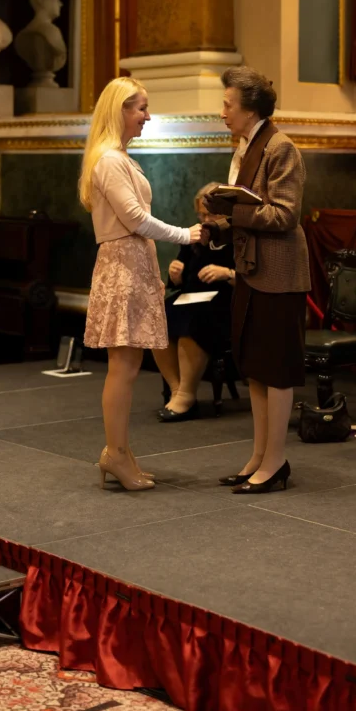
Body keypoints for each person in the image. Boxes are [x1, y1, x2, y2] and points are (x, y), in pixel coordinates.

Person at [79, 77, 202, 492]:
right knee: (124, 367)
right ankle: (115, 453)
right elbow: (134, 219)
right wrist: (187, 234)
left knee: (127, 367)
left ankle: (121, 453)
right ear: (120, 110)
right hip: (124, 264)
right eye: (141, 108)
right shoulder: (110, 160)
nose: (148, 116)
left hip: (132, 261)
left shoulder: (119, 158)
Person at [204, 66, 310, 494]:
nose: (222, 111)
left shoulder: (281, 148)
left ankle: (277, 461)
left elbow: (285, 215)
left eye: (227, 104)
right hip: (253, 269)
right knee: (255, 368)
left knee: (276, 369)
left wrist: (234, 213)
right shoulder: (246, 145)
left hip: (279, 273)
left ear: (249, 108)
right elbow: (247, 209)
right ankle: (259, 456)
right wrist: (220, 221)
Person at [154, 183, 235, 422]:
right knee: (156, 318)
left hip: (225, 300)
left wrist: (226, 273)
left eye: (212, 214)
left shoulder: (239, 237)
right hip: (191, 296)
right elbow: (181, 279)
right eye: (203, 214)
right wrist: (175, 274)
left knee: (194, 319)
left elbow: (254, 278)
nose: (206, 219)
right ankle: (177, 389)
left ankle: (186, 394)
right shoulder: (195, 237)